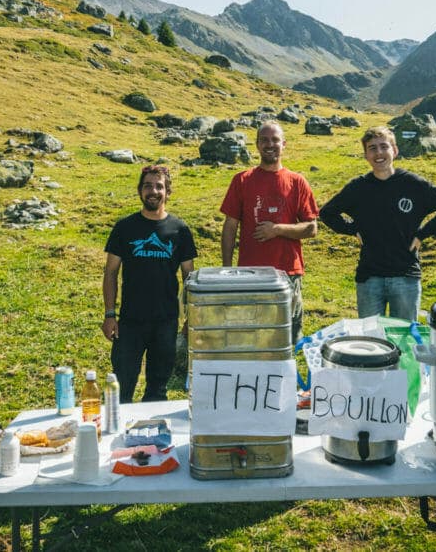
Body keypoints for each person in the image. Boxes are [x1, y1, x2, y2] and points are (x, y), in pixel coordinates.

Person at [319, 126, 436, 321]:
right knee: (370, 341)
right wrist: (352, 229)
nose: (379, 153)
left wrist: (423, 234)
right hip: (369, 278)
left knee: (404, 338)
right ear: (366, 155)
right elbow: (327, 213)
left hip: (405, 276)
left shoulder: (413, 184)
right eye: (372, 148)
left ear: (394, 151)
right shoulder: (358, 188)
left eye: (383, 147)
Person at [103, 165, 197, 403]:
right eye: (148, 186)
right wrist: (110, 314)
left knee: (157, 391)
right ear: (139, 191)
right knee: (121, 390)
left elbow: (189, 278)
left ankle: (153, 439)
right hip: (129, 322)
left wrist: (192, 319)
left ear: (168, 192)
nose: (153, 191)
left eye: (159, 186)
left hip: (165, 322)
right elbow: (111, 272)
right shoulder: (125, 227)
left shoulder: (180, 230)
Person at [220, 120, 319, 343]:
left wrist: (277, 229)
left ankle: (287, 377)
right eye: (264, 140)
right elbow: (230, 227)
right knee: (251, 334)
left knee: (288, 335)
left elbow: (312, 228)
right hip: (250, 275)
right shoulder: (242, 180)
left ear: (284, 144)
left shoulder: (297, 182)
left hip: (288, 274)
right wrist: (227, 269)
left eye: (275, 140)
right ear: (256, 145)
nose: (270, 144)